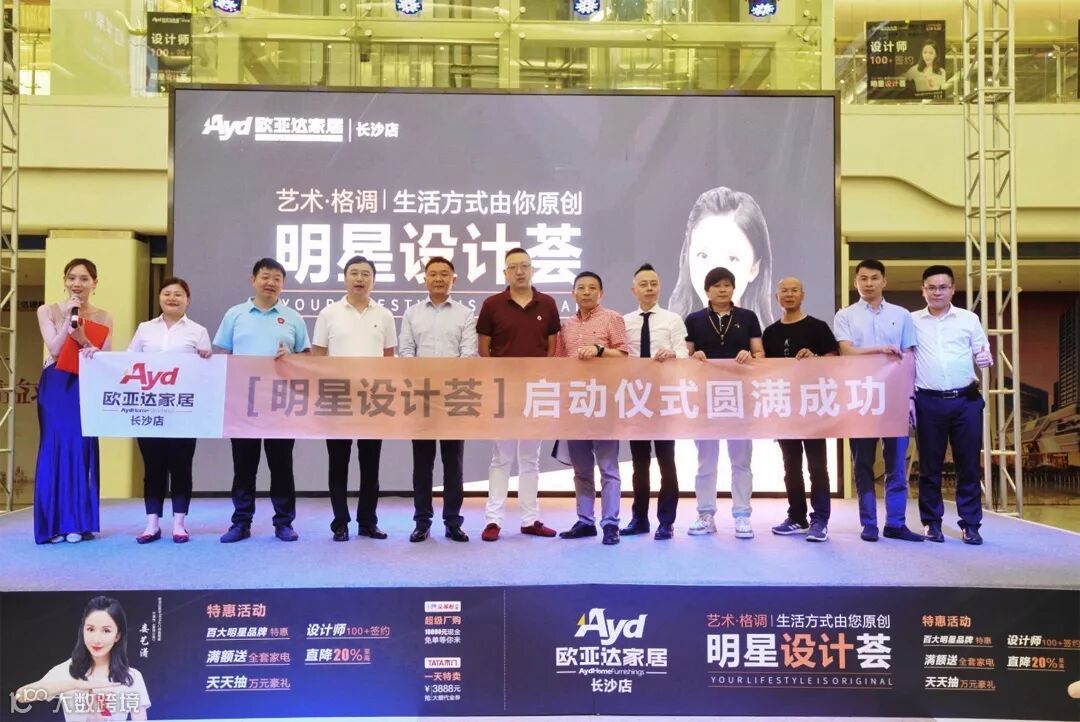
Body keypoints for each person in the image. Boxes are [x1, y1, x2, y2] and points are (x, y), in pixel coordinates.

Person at [213, 258, 310, 543]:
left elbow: (307, 357)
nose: (271, 283)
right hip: (243, 404)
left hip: (281, 403)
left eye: (277, 278)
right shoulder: (235, 314)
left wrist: (291, 357)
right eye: (265, 277)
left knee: (281, 466)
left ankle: (284, 522)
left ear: (283, 284)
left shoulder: (293, 317)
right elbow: (223, 354)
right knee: (244, 466)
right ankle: (241, 522)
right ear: (253, 280)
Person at [475, 247, 561, 542]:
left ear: (532, 269)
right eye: (513, 267)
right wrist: (500, 380)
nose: (519, 271)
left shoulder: (547, 303)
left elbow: (552, 347)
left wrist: (540, 379)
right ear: (505, 272)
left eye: (524, 266)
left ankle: (530, 519)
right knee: (501, 458)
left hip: (536, 391)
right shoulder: (492, 305)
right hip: (503, 391)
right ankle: (493, 520)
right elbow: (483, 349)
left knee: (531, 459)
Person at [834, 259, 921, 543]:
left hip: (895, 398)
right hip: (860, 399)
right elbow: (847, 352)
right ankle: (869, 523)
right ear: (855, 282)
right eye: (863, 278)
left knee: (896, 464)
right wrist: (880, 350)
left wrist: (910, 397)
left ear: (884, 281)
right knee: (863, 465)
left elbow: (909, 356)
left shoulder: (902, 315)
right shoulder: (845, 315)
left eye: (874, 278)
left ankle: (895, 523)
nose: (868, 283)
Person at [312, 255, 396, 542]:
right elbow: (318, 357)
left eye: (365, 274)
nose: (360, 279)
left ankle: (368, 521)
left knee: (370, 464)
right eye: (354, 273)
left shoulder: (384, 315)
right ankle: (340, 522)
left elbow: (389, 359)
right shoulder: (329, 313)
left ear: (374, 280)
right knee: (338, 463)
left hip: (373, 400)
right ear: (345, 278)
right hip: (338, 398)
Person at [34, 258, 113, 544]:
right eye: (71, 278)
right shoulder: (48, 310)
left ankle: (77, 523)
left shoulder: (104, 316)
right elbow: (55, 350)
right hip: (56, 384)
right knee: (54, 447)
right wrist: (70, 319)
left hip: (85, 383)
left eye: (84, 278)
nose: (77, 284)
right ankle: (52, 524)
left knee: (81, 448)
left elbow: (105, 357)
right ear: (65, 281)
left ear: (95, 283)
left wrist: (86, 342)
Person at [127, 277, 212, 544]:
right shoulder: (145, 329)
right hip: (150, 409)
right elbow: (128, 362)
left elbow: (205, 372)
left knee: (181, 466)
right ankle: (152, 524)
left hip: (183, 411)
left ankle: (179, 524)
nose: (172, 298)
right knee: (153, 466)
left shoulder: (198, 331)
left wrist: (206, 356)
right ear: (160, 298)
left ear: (188, 300)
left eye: (178, 294)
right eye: (167, 293)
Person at [912, 265, 993, 545]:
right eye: (931, 287)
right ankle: (931, 523)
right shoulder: (911, 321)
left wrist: (985, 358)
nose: (937, 292)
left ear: (953, 289)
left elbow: (982, 351)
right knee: (929, 467)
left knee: (968, 465)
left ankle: (970, 525)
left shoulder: (969, 319)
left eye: (943, 287)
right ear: (923, 290)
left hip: (965, 401)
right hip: (928, 401)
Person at [398, 256, 476, 543]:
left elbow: (468, 354)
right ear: (425, 279)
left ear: (453, 279)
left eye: (444, 274)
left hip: (455, 396)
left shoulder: (465, 314)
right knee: (422, 463)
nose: (439, 279)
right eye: (433, 274)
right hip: (422, 396)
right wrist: (425, 377)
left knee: (453, 463)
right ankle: (422, 521)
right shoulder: (412, 313)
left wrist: (446, 378)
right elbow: (406, 351)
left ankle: (453, 521)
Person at [684, 266, 764, 539]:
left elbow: (760, 353)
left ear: (734, 289)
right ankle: (706, 514)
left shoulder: (747, 317)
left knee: (741, 461)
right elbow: (686, 355)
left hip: (740, 398)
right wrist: (693, 357)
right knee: (706, 462)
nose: (722, 289)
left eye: (727, 285)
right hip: (705, 400)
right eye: (716, 285)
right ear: (707, 290)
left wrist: (750, 356)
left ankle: (742, 516)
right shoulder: (694, 319)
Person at [554, 271, 629, 546]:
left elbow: (624, 356)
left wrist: (600, 350)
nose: (586, 292)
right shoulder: (566, 326)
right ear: (573, 293)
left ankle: (610, 523)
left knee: (608, 468)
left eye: (592, 287)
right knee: (581, 469)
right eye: (581, 288)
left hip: (604, 401)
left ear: (601, 293)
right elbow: (559, 362)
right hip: (575, 403)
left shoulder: (612, 318)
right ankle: (585, 521)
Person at [762, 277, 839, 543]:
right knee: (790, 466)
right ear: (777, 297)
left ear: (802, 294)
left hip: (813, 406)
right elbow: (764, 369)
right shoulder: (770, 332)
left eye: (794, 290)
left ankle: (820, 520)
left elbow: (834, 360)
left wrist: (815, 359)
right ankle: (796, 516)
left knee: (817, 466)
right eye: (784, 291)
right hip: (784, 407)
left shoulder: (818, 327)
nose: (789, 294)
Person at [621, 263, 687, 541]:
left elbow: (684, 355)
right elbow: (620, 357)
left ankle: (666, 521)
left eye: (654, 283)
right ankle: (639, 519)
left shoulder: (672, 319)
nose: (649, 288)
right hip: (636, 398)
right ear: (633, 290)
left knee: (666, 461)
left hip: (664, 398)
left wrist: (672, 354)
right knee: (639, 464)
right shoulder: (624, 321)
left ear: (660, 287)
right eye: (644, 284)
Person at [14, 596, 150, 721]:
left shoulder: (132, 677)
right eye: (90, 629)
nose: (96, 639)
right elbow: (21, 696)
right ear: (83, 630)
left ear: (117, 636)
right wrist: (75, 684)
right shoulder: (67, 670)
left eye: (106, 631)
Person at [668, 186, 775, 327]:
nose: (715, 273)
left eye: (732, 258)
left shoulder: (770, 338)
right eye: (703, 255)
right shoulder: (668, 333)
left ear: (754, 268)